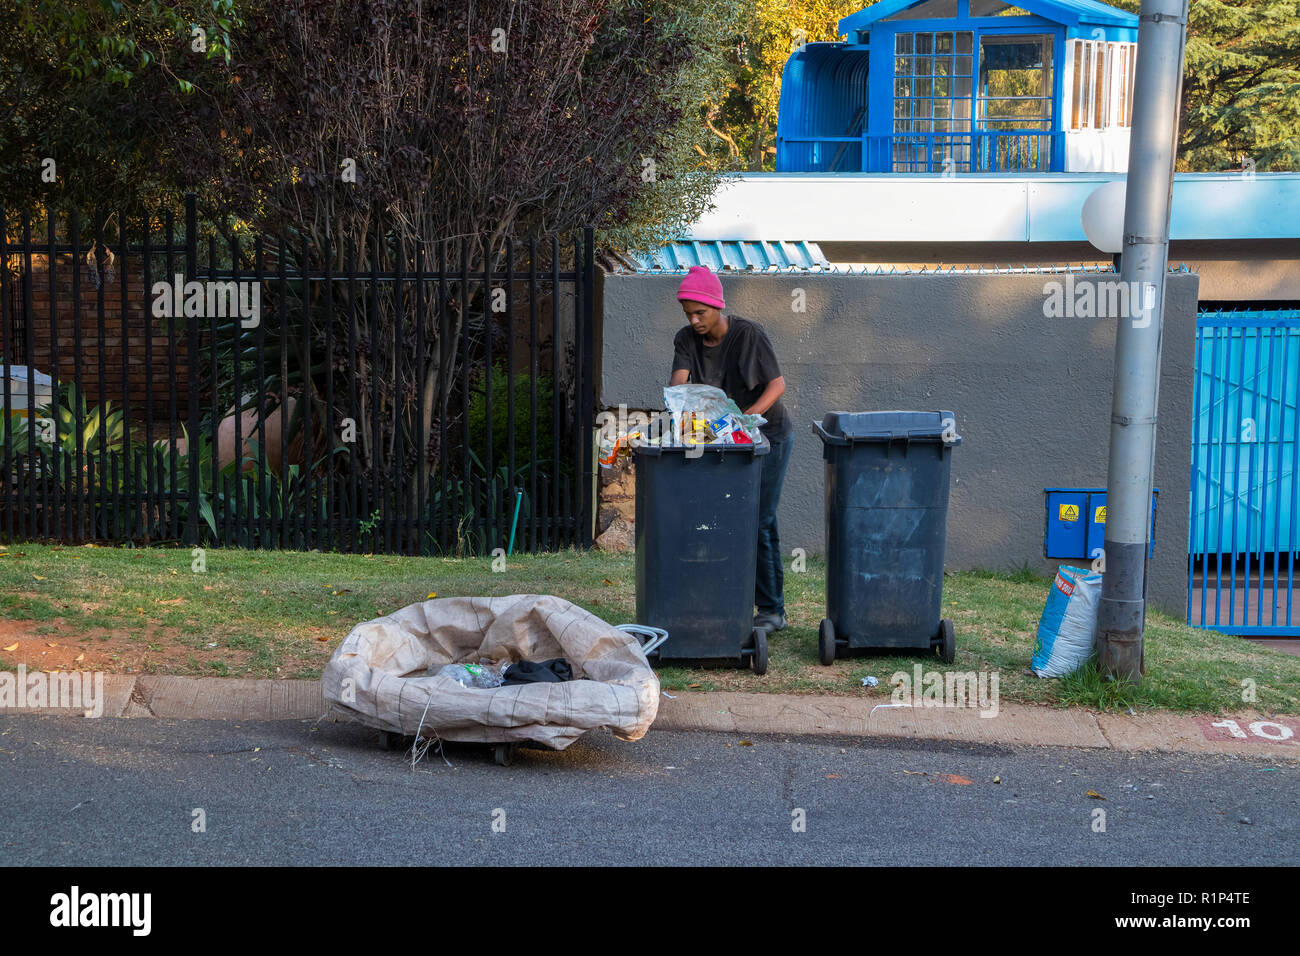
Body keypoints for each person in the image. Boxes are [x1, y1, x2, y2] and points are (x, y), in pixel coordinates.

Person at [669, 265, 794, 634]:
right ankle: (722, 600)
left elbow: (777, 386)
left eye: (700, 313)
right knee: (720, 519)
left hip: (767, 436)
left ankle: (772, 611)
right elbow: (679, 384)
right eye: (688, 313)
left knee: (759, 518)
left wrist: (744, 419)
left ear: (717, 306)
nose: (694, 320)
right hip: (723, 440)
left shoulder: (748, 335)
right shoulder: (686, 340)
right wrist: (680, 402)